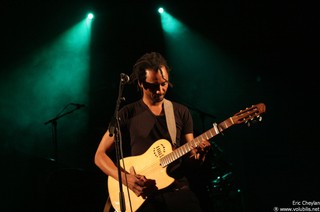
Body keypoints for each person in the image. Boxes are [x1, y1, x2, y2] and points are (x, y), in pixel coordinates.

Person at [94, 52, 211, 212]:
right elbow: (99, 155)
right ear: (141, 83)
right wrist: (126, 179)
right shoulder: (127, 113)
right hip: (144, 196)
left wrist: (198, 157)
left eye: (164, 84)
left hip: (178, 191)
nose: (160, 90)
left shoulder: (180, 112)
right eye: (154, 86)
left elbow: (191, 159)